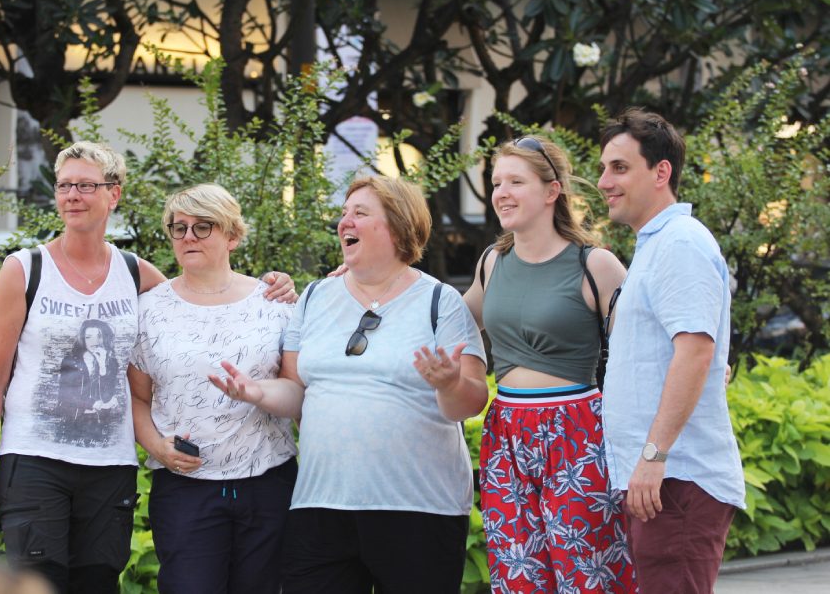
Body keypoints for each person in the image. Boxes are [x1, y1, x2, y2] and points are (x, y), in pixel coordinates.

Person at [0, 143, 296, 594]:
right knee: (38, 583)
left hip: (109, 465)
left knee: (98, 582)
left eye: (85, 185)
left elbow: (196, 300)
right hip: (35, 457)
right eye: (64, 185)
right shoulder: (25, 269)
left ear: (113, 194)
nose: (72, 195)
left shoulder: (136, 274)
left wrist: (277, 285)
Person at [211, 175, 488, 594]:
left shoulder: (440, 301)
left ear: (398, 227)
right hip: (320, 504)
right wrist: (256, 392)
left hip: (419, 507)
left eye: (360, 213)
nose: (345, 222)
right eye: (344, 213)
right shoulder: (314, 297)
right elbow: (296, 391)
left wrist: (449, 383)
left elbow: (469, 403)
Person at [462, 136, 637, 593]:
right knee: (518, 576)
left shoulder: (595, 265)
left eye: (515, 182)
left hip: (577, 433)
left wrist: (707, 368)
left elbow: (643, 348)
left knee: (589, 575)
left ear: (552, 191)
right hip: (506, 431)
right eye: (496, 183)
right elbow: (446, 323)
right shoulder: (492, 262)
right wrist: (359, 281)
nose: (501, 193)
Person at [596, 109, 745, 593]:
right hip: (663, 479)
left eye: (619, 168)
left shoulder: (681, 243)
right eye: (603, 168)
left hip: (676, 481)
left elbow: (695, 353)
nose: (604, 182)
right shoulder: (656, 244)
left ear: (661, 172)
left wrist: (654, 456)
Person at [129, 183, 298, 594]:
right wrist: (156, 447)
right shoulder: (149, 309)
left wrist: (256, 391)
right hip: (185, 489)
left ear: (232, 236)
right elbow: (136, 396)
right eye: (179, 227)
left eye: (203, 226)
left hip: (267, 482)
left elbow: (296, 391)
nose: (188, 236)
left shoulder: (275, 303)